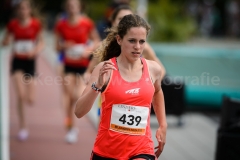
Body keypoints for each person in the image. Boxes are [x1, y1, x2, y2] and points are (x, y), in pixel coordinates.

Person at [75, 14, 167, 159]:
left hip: (141, 149)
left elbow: (157, 92)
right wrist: (97, 86)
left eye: (142, 41)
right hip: (107, 151)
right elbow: (79, 112)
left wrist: (163, 124)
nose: (137, 47)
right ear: (119, 39)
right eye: (132, 41)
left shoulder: (153, 69)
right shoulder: (104, 69)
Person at [54, 0, 100, 144]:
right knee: (68, 97)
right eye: (69, 6)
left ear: (79, 7)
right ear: (66, 8)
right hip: (67, 65)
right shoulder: (61, 25)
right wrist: (64, 45)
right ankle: (71, 128)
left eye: (74, 5)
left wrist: (88, 50)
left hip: (83, 66)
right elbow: (56, 46)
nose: (72, 8)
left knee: (76, 95)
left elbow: (96, 41)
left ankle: (72, 125)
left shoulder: (87, 23)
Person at [85, 5, 166, 82]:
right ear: (113, 22)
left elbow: (161, 70)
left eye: (129, 19)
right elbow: (88, 73)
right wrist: (98, 84)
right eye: (121, 19)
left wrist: (149, 85)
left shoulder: (144, 48)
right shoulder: (102, 46)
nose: (125, 22)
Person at [1, 0, 44, 141]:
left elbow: (41, 42)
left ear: (29, 10)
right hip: (17, 62)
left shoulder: (35, 24)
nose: (22, 11)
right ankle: (23, 126)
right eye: (20, 9)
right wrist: (6, 42)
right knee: (20, 95)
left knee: (30, 99)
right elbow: (5, 41)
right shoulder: (12, 24)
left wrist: (35, 50)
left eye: (25, 8)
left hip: (30, 62)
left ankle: (25, 119)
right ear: (17, 11)